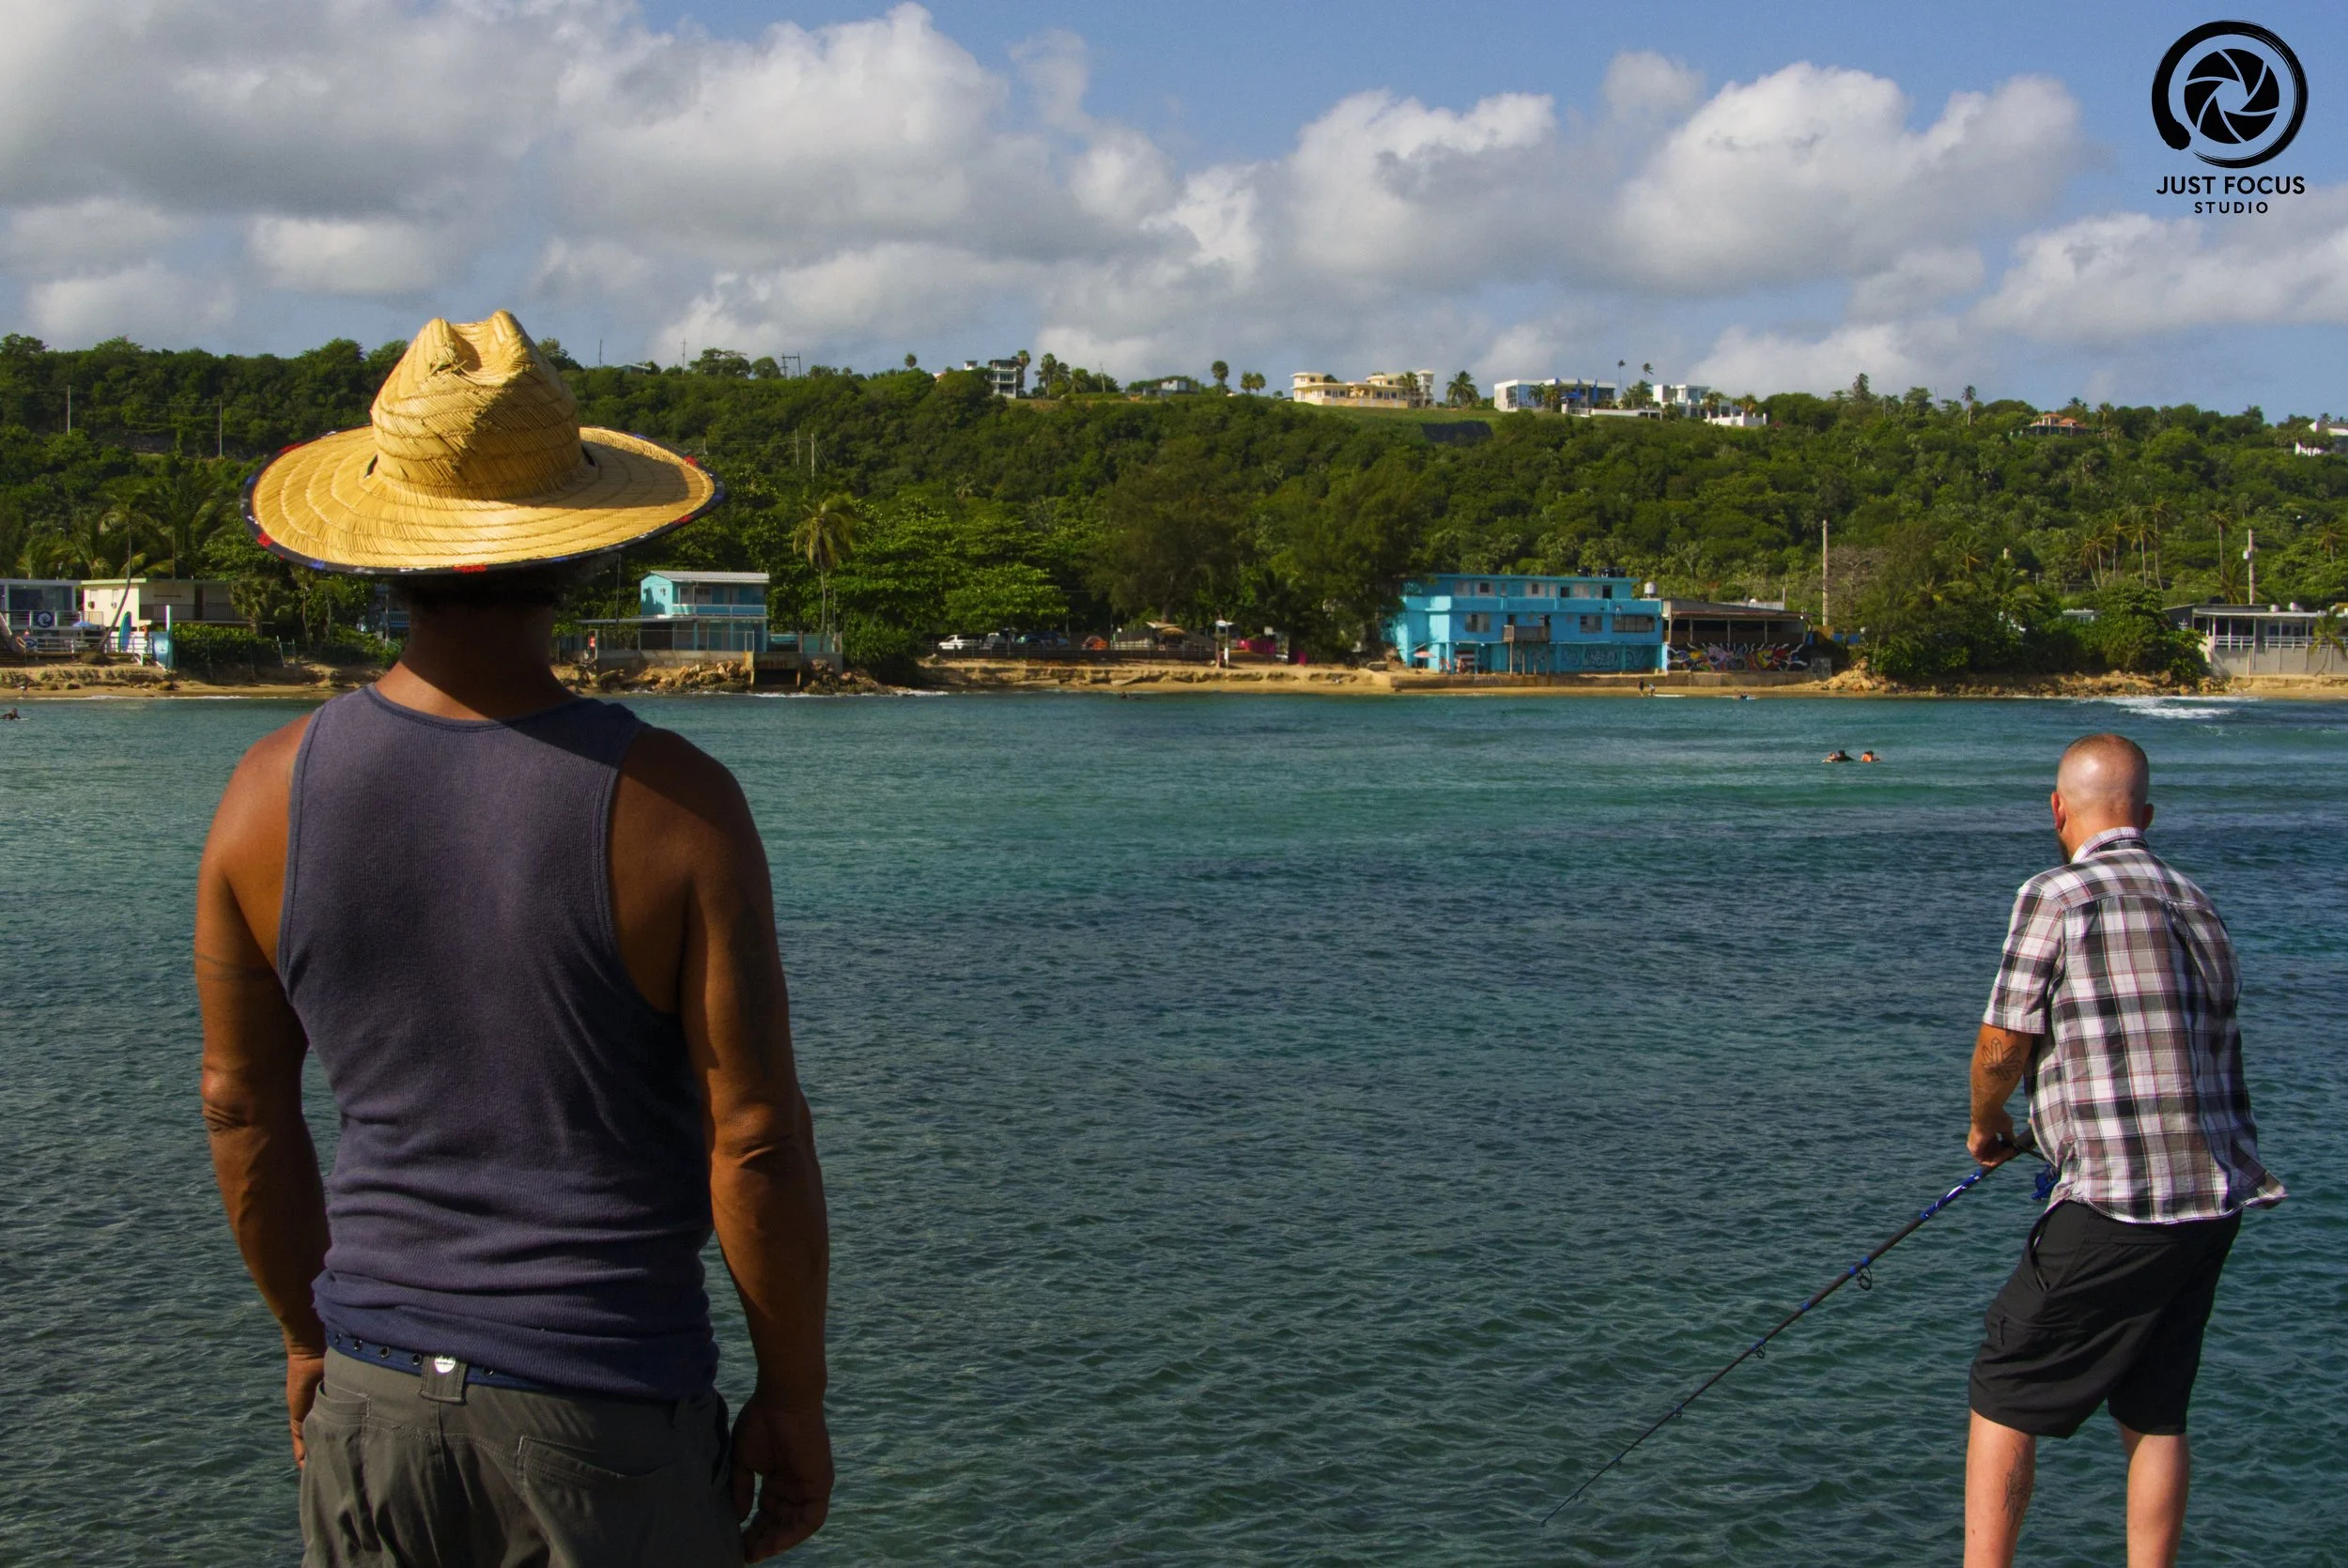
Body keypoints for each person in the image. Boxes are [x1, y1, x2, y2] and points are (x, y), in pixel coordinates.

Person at [196, 312, 832, 1565]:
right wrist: (793, 1395)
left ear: (387, 547)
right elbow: (750, 1137)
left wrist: (308, 1334)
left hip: (369, 1400)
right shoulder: (678, 807)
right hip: (603, 1406)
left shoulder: (264, 796)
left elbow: (239, 1110)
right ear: (580, 544)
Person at [1962, 733, 2283, 1568]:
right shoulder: (2196, 899)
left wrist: (1986, 1125)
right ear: (2145, 817)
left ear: (2058, 810)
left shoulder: (2058, 895)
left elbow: (2003, 1044)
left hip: (2119, 1201)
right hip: (2214, 1199)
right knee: (2156, 1405)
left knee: (2005, 1385)